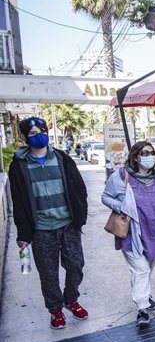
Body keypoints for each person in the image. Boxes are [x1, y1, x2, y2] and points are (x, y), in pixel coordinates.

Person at [8, 116, 88, 330]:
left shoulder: (62, 158)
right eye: (33, 134)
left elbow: (79, 188)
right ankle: (56, 310)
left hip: (68, 225)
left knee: (76, 266)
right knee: (48, 273)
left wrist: (80, 217)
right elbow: (19, 202)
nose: (39, 136)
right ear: (24, 137)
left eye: (42, 131)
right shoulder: (19, 166)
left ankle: (71, 300)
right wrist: (23, 235)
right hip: (41, 230)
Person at [102, 141, 155, 328]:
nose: (149, 156)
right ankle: (142, 308)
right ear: (136, 156)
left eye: (151, 153)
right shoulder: (122, 176)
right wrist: (121, 206)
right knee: (141, 270)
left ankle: (145, 296)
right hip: (133, 233)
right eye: (144, 153)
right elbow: (105, 196)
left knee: (147, 268)